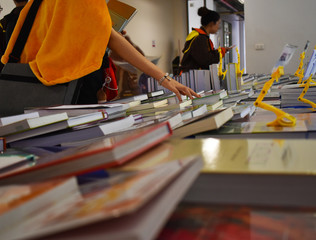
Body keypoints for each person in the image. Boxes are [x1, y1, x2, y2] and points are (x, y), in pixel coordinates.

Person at [1, 0, 200, 104]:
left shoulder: (37, 2)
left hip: (32, 88)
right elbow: (112, 38)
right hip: (69, 90)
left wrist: (98, 32)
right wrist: (163, 77)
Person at [180, 7, 234, 72]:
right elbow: (206, 60)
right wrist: (220, 53)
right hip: (191, 77)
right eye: (218, 23)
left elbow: (205, 55)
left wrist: (222, 51)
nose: (218, 27)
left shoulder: (201, 36)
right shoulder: (200, 38)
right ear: (211, 23)